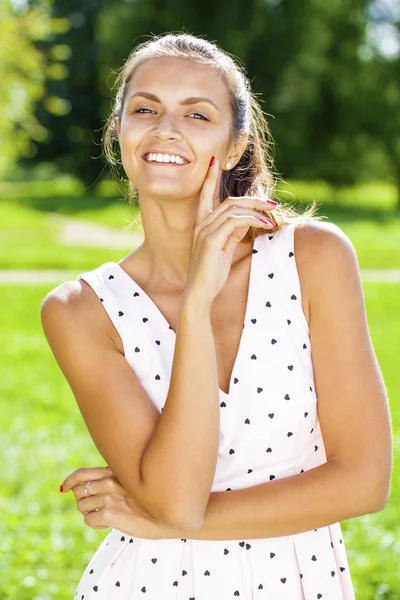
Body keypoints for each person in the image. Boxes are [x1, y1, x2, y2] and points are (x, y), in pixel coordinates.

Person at [41, 32, 392, 599]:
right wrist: (198, 303)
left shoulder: (316, 258)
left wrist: (163, 520)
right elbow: (177, 498)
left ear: (234, 146)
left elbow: (364, 482)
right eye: (145, 109)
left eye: (197, 114)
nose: (165, 129)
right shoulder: (80, 310)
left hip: (302, 582)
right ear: (118, 133)